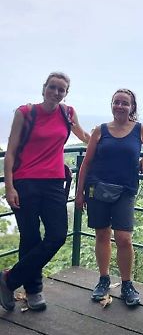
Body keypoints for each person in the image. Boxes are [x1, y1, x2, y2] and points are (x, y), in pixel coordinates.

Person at [1, 72, 90, 312]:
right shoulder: (25, 112)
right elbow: (10, 152)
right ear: (44, 88)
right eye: (52, 87)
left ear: (66, 93)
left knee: (57, 235)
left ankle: (8, 280)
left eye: (61, 90)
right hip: (25, 182)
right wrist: (9, 187)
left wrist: (113, 141)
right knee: (30, 237)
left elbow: (84, 137)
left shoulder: (67, 113)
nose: (56, 92)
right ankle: (33, 290)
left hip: (53, 183)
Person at [75, 88, 143, 307]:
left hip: (125, 190)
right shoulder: (100, 131)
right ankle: (103, 279)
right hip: (97, 188)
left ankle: (127, 284)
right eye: (116, 102)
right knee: (102, 235)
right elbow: (86, 163)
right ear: (111, 105)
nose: (120, 106)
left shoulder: (139, 129)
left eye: (125, 103)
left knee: (124, 238)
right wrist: (78, 193)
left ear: (132, 107)